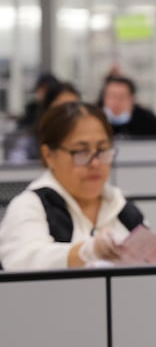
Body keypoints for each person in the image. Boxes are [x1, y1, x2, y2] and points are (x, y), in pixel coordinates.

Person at [0, 101, 145, 270]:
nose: (95, 163)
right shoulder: (29, 206)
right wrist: (86, 252)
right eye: (81, 152)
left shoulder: (125, 209)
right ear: (48, 155)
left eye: (103, 149)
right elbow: (24, 262)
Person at [100, 75, 156, 139]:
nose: (116, 102)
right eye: (112, 96)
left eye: (121, 97)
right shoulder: (94, 119)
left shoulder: (147, 120)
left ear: (132, 99)